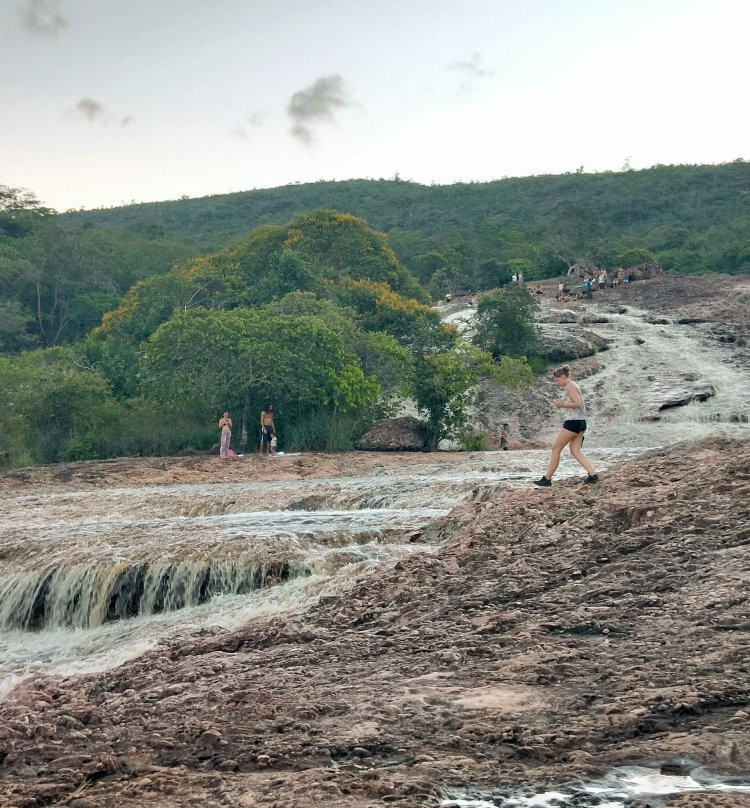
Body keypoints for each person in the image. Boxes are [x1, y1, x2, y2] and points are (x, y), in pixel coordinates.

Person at [534, 365, 599, 487]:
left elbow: (578, 404)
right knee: (575, 451)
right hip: (581, 422)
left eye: (557, 379)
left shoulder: (570, 386)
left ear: (563, 376)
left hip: (573, 423)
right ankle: (593, 475)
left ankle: (547, 479)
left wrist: (562, 404)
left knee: (555, 448)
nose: (556, 382)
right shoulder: (573, 385)